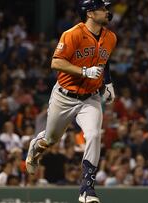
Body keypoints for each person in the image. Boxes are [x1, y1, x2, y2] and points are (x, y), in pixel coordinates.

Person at [25, 0, 117, 202]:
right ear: (90, 13)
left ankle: (87, 189)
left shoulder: (111, 37)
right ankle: (36, 147)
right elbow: (55, 62)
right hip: (64, 96)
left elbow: (104, 59)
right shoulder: (73, 33)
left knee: (93, 135)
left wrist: (107, 83)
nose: (107, 11)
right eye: (103, 8)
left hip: (90, 98)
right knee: (50, 139)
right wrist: (84, 71)